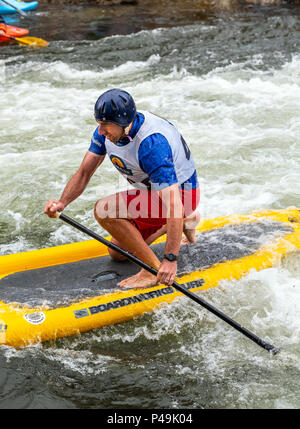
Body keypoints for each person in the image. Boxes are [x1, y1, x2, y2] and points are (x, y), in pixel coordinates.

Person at [44, 89, 200, 289]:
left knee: (105, 210)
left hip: (182, 196)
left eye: (105, 125)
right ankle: (181, 224)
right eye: (99, 123)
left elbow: (174, 205)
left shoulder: (152, 145)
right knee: (118, 252)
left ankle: (151, 270)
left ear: (124, 123)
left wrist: (170, 259)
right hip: (155, 195)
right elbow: (84, 173)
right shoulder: (108, 132)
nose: (100, 131)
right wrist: (62, 202)